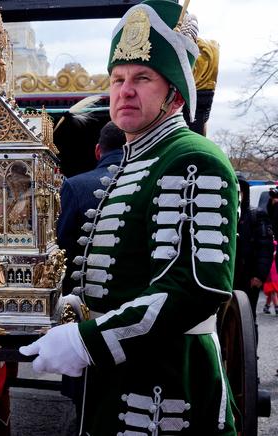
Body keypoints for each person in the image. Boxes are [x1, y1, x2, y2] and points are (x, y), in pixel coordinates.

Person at [20, 1, 239, 434]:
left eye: (142, 79)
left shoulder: (191, 158)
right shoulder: (138, 158)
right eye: (118, 80)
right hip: (118, 373)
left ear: (174, 93)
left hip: (167, 383)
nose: (125, 91)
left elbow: (193, 289)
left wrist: (88, 342)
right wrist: (78, 307)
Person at [57, 122, 126, 295]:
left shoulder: (74, 186)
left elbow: (62, 245)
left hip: (85, 297)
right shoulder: (150, 182)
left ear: (97, 151)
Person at [234, 176, 273, 318]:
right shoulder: (225, 217)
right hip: (228, 278)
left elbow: (265, 248)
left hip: (248, 278)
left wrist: (259, 275)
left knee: (247, 319)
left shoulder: (256, 215)